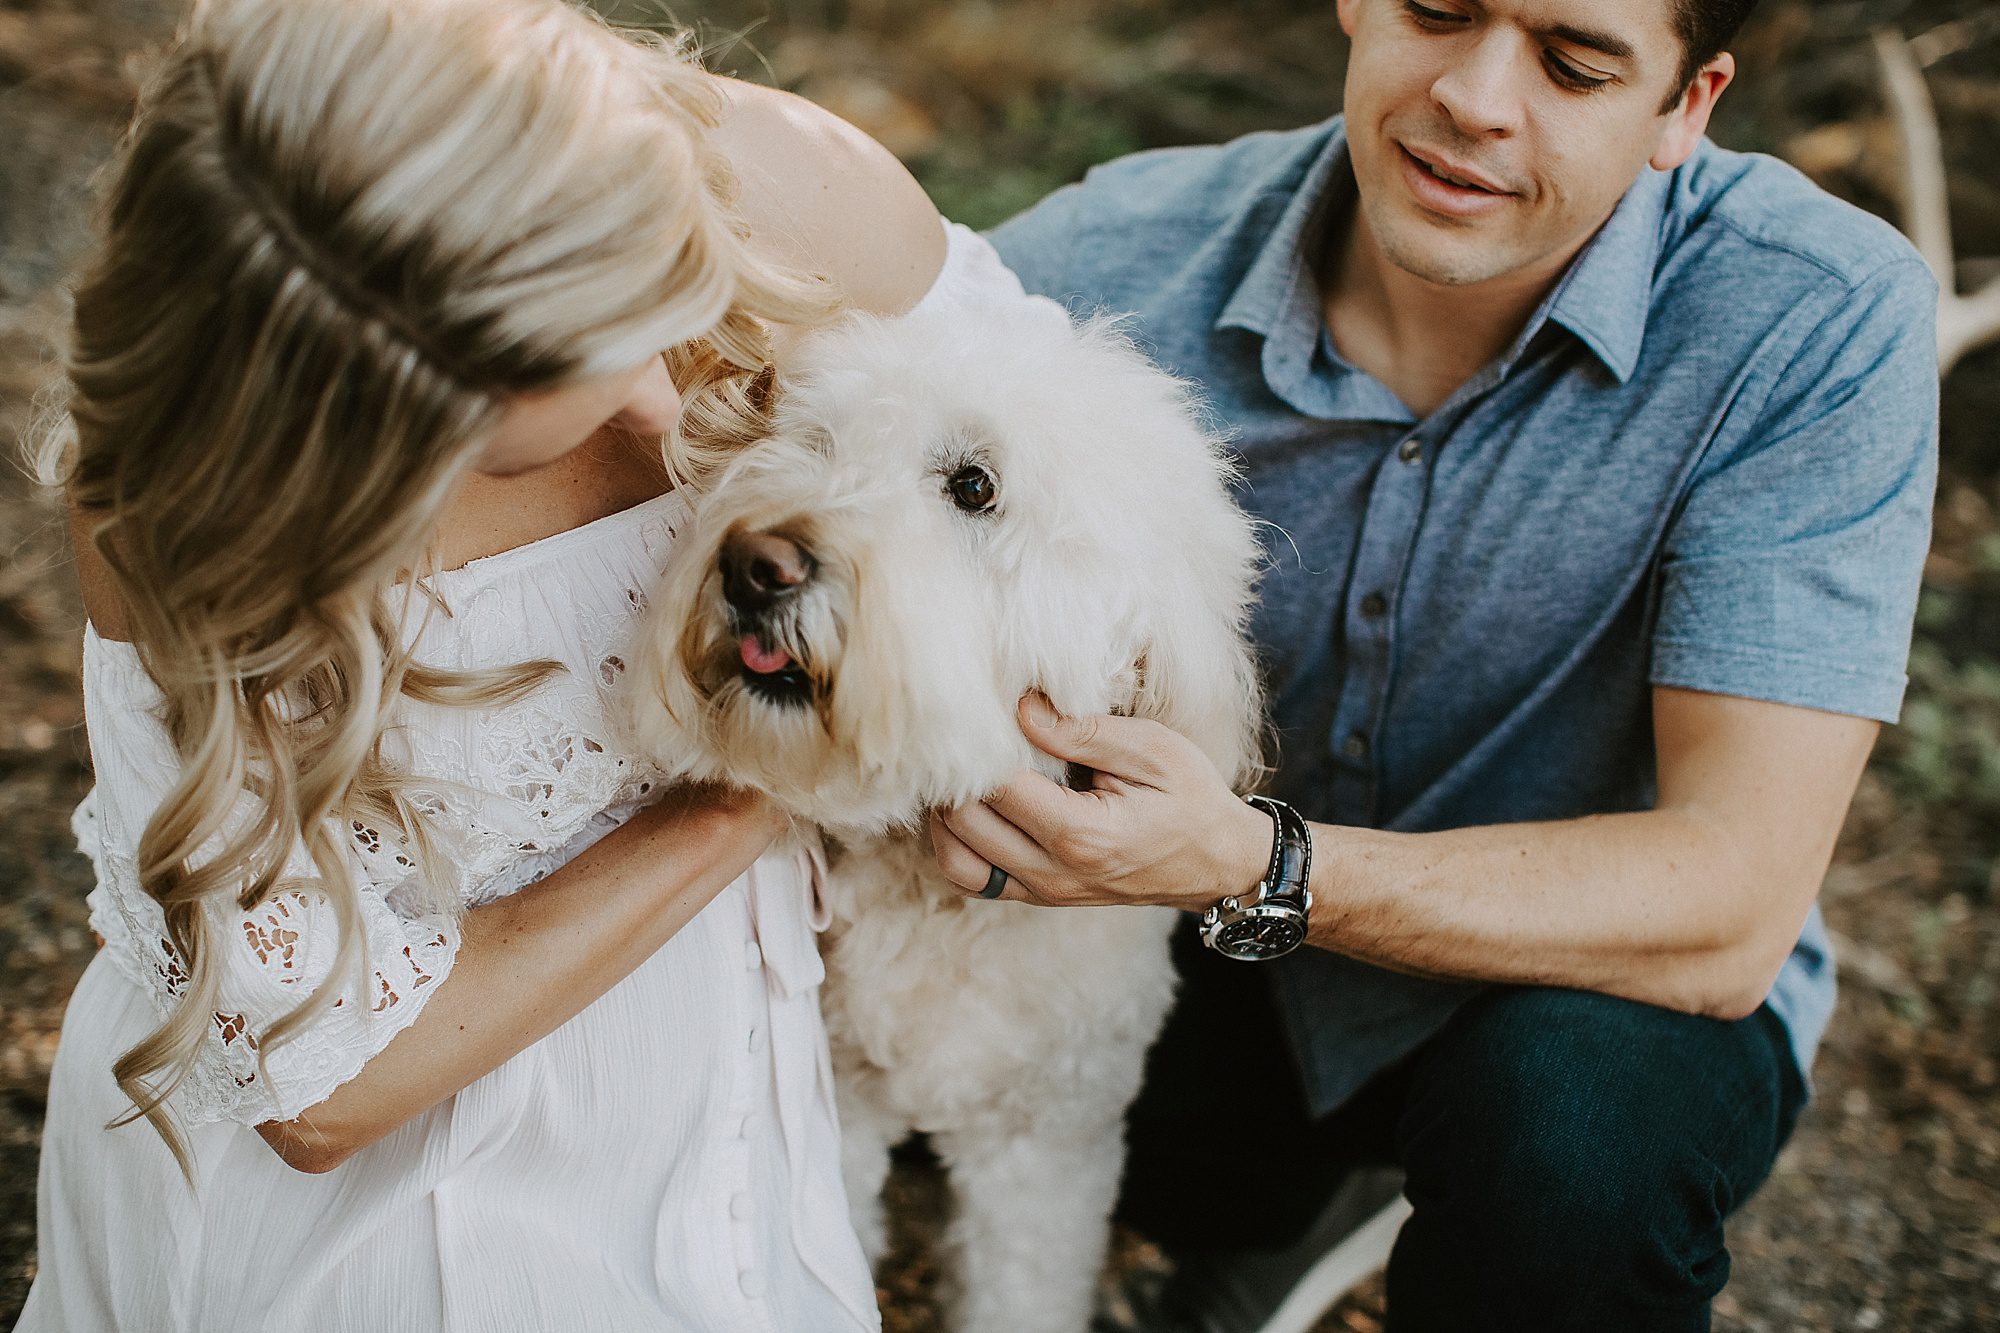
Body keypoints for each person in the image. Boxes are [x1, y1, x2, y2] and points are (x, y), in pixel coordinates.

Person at [934, 0, 1940, 1329]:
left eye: (1574, 63)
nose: (1474, 94)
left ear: (1686, 106)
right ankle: (1283, 1210)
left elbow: (1734, 898)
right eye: (1437, 10)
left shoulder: (1812, 315)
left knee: (1568, 1145)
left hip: (1582, 990)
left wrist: (1253, 863)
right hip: (1191, 974)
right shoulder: (1105, 259)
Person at [15, 0, 950, 1328]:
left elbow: (1024, 459)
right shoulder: (188, 513)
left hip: (716, 1089)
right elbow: (320, 1085)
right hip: (379, 1225)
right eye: (598, 328)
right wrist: (761, 787)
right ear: (403, 418)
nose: (673, 331)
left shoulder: (768, 185)